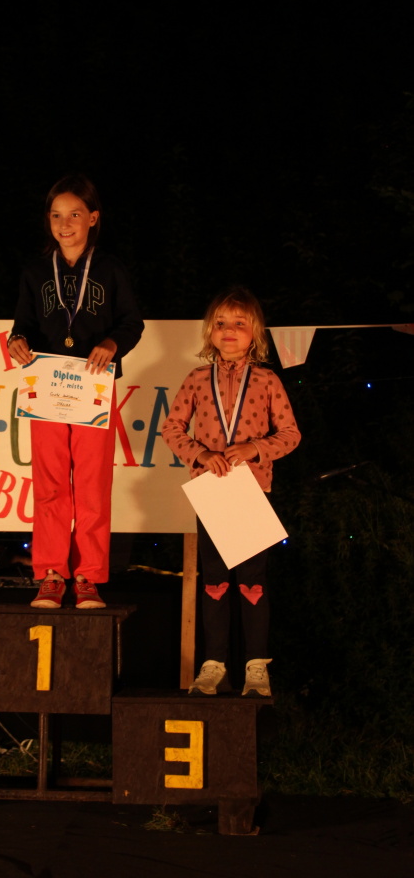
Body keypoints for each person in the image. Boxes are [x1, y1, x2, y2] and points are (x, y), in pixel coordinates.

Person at [8, 173, 144, 609]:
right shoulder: (35, 271)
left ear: (93, 218)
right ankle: (51, 573)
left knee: (91, 485)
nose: (64, 224)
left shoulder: (110, 268)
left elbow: (132, 322)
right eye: (56, 216)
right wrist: (16, 342)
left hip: (93, 385)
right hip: (47, 386)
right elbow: (23, 325)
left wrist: (112, 344)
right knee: (49, 483)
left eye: (74, 215)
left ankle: (88, 576)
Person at [162, 288, 300, 697]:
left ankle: (256, 668)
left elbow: (291, 434)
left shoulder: (267, 380)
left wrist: (255, 448)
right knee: (215, 581)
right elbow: (171, 428)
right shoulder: (196, 379)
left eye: (239, 324)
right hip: (212, 492)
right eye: (221, 323)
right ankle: (214, 664)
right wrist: (201, 454)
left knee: (252, 581)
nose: (229, 331)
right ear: (210, 331)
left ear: (255, 332)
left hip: (252, 490)